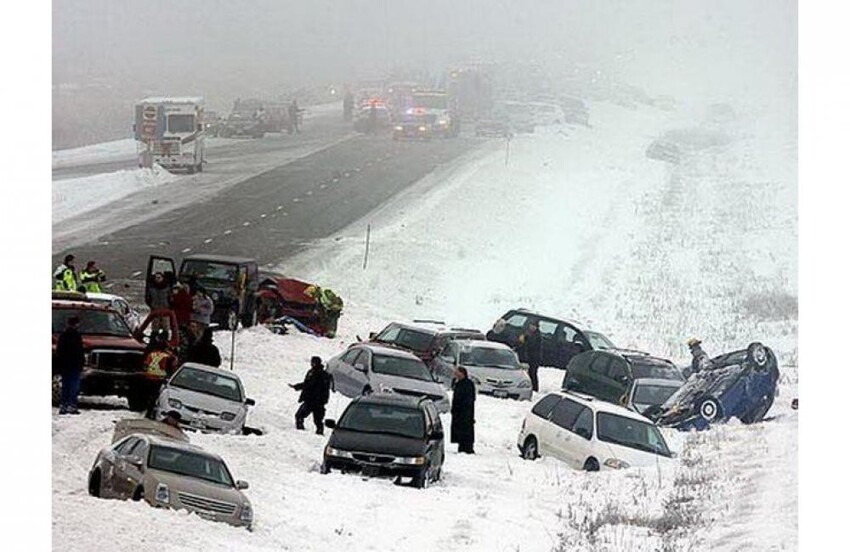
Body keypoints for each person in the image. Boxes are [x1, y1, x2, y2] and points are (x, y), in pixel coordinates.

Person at [289, 356, 332, 434]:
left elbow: (308, 385)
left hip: (312, 400)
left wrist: (298, 387)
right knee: (317, 420)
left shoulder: (317, 374)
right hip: (317, 401)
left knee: (300, 416)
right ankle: (318, 432)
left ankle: (301, 432)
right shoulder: (316, 373)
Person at [56, 316, 85, 414]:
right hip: (75, 365)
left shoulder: (63, 335)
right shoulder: (77, 336)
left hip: (65, 364)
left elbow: (59, 351)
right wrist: (82, 363)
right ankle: (72, 405)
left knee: (65, 385)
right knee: (74, 385)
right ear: (76, 324)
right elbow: (80, 351)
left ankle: (64, 405)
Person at [451, 366, 476, 453]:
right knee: (459, 430)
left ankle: (467, 448)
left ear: (462, 373)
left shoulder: (468, 384)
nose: (455, 374)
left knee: (466, 429)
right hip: (458, 412)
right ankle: (461, 446)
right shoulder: (458, 383)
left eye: (457, 372)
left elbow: (469, 399)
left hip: (465, 411)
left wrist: (464, 409)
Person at [517, 322, 542, 392]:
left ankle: (534, 388)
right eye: (531, 325)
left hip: (534, 358)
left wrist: (525, 338)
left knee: (533, 373)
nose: (532, 327)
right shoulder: (529, 333)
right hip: (529, 357)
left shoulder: (537, 335)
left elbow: (531, 344)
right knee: (529, 373)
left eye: (534, 326)